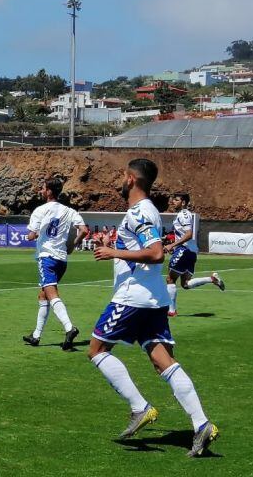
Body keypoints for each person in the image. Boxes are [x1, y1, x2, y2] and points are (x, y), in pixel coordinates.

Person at [90, 159, 218, 457]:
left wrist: (113, 252)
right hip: (153, 297)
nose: (120, 181)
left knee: (96, 350)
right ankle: (202, 425)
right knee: (163, 361)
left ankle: (140, 407)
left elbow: (156, 253)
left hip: (133, 296)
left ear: (131, 178)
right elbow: (144, 247)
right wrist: (115, 245)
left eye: (122, 176)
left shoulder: (140, 211)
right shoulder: (145, 212)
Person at [23, 178, 88, 350]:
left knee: (52, 295)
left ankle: (69, 328)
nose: (41, 190)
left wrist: (32, 235)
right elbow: (84, 230)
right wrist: (74, 244)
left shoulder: (40, 210)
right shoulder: (69, 210)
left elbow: (31, 235)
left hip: (47, 257)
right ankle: (36, 335)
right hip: (62, 259)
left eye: (43, 188)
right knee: (43, 295)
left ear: (49, 191)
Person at [164, 194, 224, 316]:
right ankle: (211, 279)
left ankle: (171, 311)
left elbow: (189, 234)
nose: (173, 202)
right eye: (173, 199)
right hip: (190, 252)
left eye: (177, 200)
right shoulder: (182, 214)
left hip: (184, 250)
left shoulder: (184, 214)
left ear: (184, 202)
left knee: (170, 279)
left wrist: (172, 245)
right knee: (185, 284)